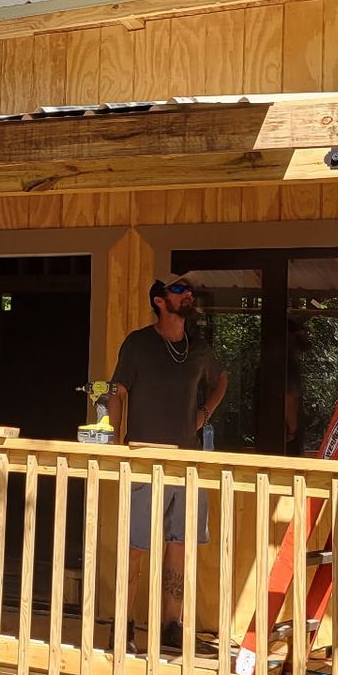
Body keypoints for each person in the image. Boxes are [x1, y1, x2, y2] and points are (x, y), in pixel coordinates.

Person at [108, 274, 227, 652]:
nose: (187, 295)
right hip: (143, 457)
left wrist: (205, 412)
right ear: (159, 301)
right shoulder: (138, 344)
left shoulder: (199, 348)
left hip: (187, 460)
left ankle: (171, 625)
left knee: (179, 543)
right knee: (135, 545)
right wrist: (112, 442)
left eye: (189, 291)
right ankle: (122, 626)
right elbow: (117, 394)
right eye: (179, 291)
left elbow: (221, 378)